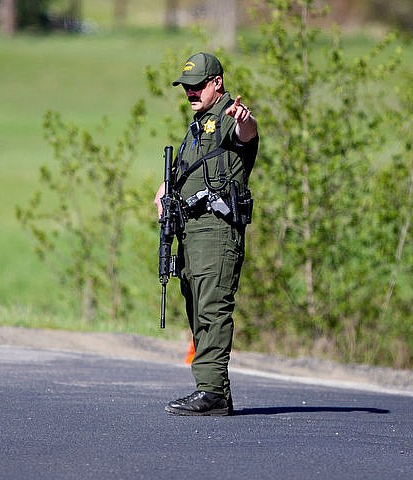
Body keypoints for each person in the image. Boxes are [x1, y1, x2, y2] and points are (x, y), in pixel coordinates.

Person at [154, 52, 259, 416]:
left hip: (217, 230)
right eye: (187, 87)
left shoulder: (229, 116)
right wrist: (165, 188)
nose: (191, 92)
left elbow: (247, 135)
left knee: (213, 307)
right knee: (197, 305)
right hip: (193, 231)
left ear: (217, 83)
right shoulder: (199, 125)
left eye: (198, 85)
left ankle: (210, 391)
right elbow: (190, 171)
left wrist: (246, 121)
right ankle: (217, 391)